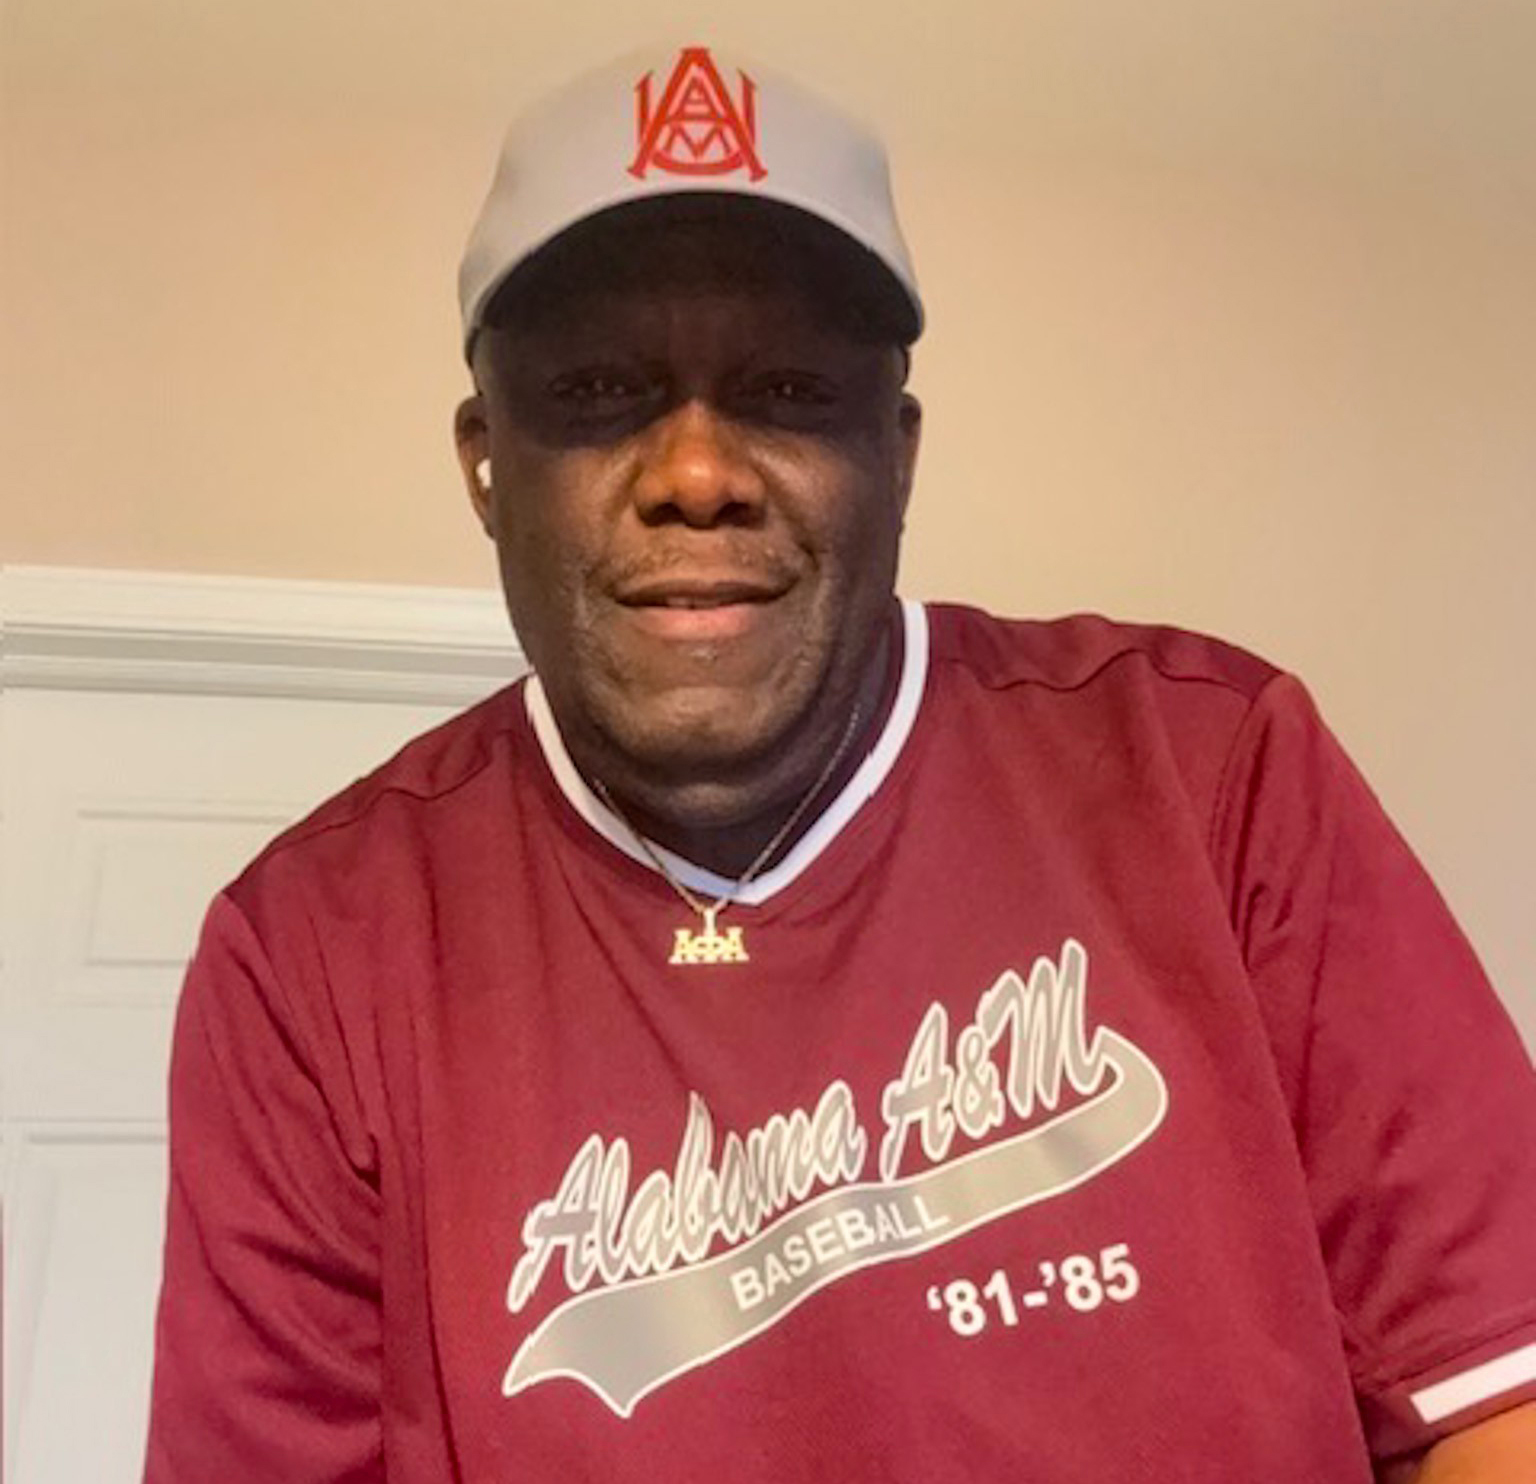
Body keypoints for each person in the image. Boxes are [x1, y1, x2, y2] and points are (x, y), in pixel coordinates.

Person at [143, 43, 1536, 1483]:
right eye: (605, 389)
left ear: (900, 452)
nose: (697, 472)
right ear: (486, 463)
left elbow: (1495, 1392)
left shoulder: (1210, 771)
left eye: (792, 388)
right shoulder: (313, 955)